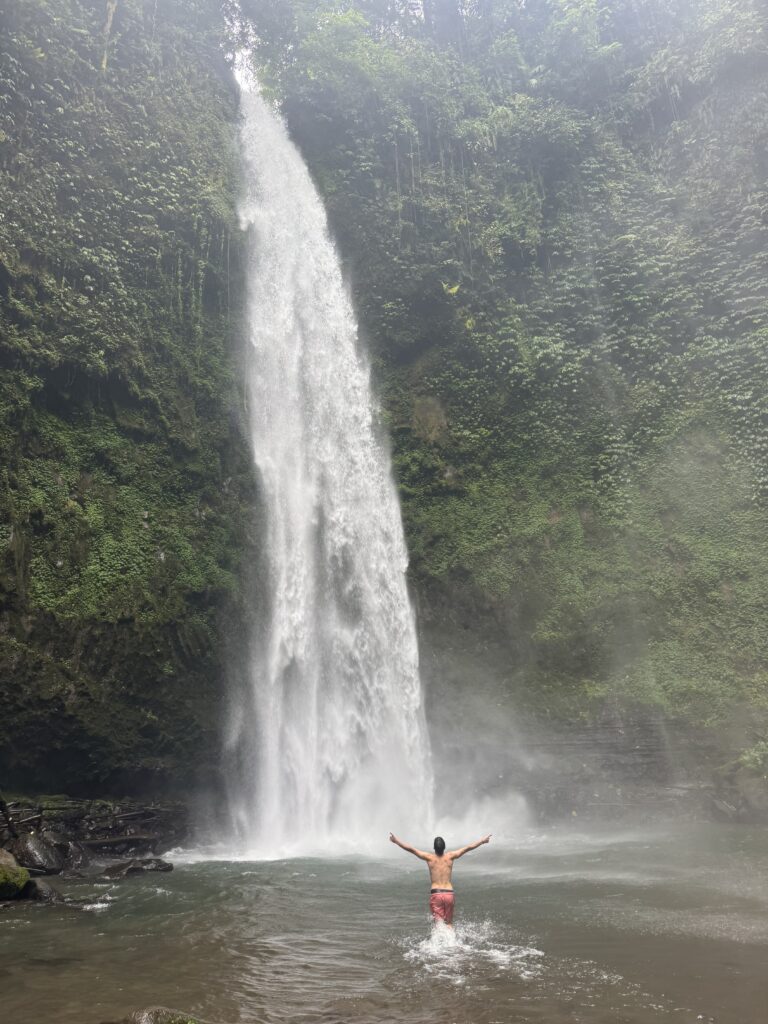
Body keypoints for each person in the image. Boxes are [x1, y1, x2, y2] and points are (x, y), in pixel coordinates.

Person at [389, 831, 491, 927]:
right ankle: (452, 943)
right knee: (449, 923)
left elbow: (412, 849)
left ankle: (439, 944)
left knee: (439, 925)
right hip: (449, 893)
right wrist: (482, 841)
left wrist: (396, 841)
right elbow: (468, 848)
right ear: (444, 847)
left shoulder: (429, 858)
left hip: (436, 893)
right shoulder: (450, 856)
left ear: (434, 848)